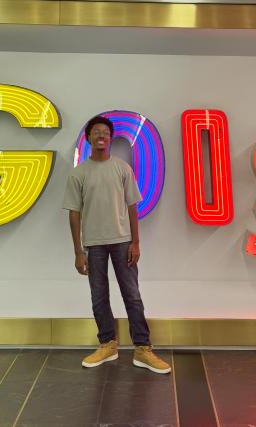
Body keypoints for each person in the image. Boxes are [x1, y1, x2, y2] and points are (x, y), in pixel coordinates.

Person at [62, 116, 171, 374]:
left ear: (110, 138)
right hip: (94, 244)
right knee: (99, 296)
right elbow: (74, 213)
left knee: (132, 295)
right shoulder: (79, 174)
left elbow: (133, 207)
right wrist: (78, 252)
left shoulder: (122, 168)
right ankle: (107, 344)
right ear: (88, 138)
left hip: (123, 242)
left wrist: (136, 241)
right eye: (96, 132)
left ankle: (143, 349)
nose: (101, 136)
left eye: (105, 132)